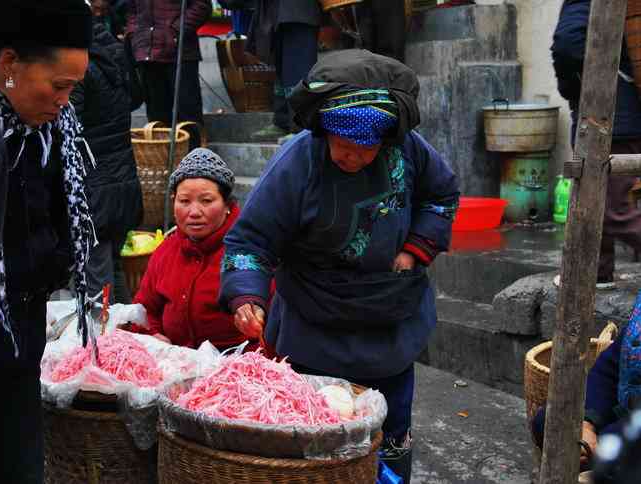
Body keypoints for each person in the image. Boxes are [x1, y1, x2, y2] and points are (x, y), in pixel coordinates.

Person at [220, 49, 460, 483]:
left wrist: (417, 248)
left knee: (390, 432)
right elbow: (250, 239)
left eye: (366, 149)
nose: (354, 158)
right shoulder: (297, 162)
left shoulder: (408, 149)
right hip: (314, 327)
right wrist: (246, 295)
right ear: (325, 131)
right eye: (344, 147)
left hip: (389, 321)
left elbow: (441, 196)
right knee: (317, 436)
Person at [0, 1, 95, 482]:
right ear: (9, 64)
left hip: (23, 323)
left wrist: (51, 262)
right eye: (58, 86)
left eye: (73, 88)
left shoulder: (54, 131)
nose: (64, 101)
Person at [532, 201, 641, 471]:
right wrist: (588, 422)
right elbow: (614, 361)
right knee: (550, 421)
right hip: (624, 416)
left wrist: (606, 437)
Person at [552, 0, 641, 288]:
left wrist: (572, 87)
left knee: (609, 209)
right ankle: (596, 272)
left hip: (609, 112)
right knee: (594, 195)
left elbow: (567, 44)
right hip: (640, 109)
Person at [131, 148, 252, 351]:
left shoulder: (246, 251)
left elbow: (268, 324)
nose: (194, 212)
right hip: (174, 367)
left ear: (227, 205)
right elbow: (143, 310)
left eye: (206, 201)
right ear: (173, 202)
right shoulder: (167, 250)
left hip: (235, 369)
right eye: (184, 201)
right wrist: (152, 335)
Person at [71, 16, 144, 304]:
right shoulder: (114, 55)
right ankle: (126, 336)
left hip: (94, 186)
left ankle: (105, 344)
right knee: (112, 268)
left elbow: (68, 123)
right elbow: (137, 98)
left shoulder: (79, 68)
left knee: (96, 280)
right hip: (123, 181)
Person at [125, 0, 211, 149]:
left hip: (180, 52)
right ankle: (162, 162)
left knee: (187, 112)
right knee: (157, 115)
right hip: (148, 53)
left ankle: (193, 162)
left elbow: (202, 6)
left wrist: (176, 30)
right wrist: (135, 34)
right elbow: (131, 10)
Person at [248, 0, 322, 140]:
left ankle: (300, 127)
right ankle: (282, 121)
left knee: (298, 68)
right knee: (282, 69)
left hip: (299, 10)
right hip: (277, 11)